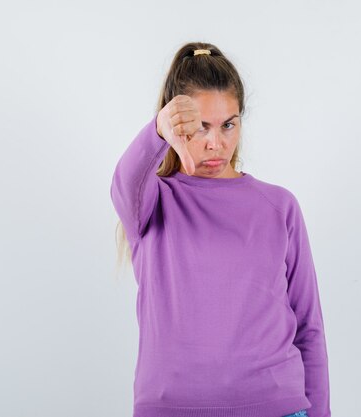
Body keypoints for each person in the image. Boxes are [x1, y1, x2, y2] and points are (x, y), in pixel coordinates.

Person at [110, 42, 331, 417]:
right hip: (171, 408)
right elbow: (124, 182)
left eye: (228, 124)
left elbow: (308, 328)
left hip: (277, 407)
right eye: (199, 128)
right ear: (175, 127)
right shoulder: (152, 203)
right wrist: (158, 129)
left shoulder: (279, 207)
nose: (216, 144)